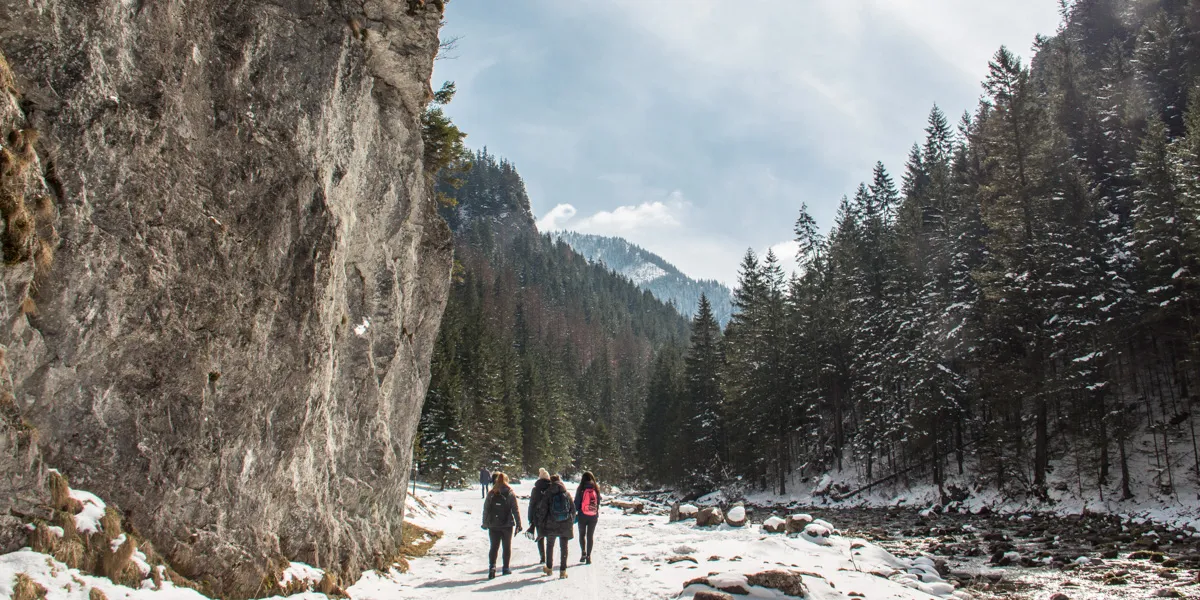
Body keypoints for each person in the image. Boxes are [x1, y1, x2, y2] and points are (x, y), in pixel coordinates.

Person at [481, 471, 522, 579]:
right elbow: (515, 509)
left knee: (494, 546)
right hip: (507, 524)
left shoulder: (491, 493)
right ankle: (505, 568)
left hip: (493, 524)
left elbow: (486, 509)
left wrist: (485, 523)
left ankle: (492, 567)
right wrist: (518, 523)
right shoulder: (510, 493)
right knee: (506, 546)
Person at [534, 474, 575, 579]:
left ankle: (549, 568)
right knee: (564, 547)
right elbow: (573, 509)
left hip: (551, 524)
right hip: (565, 524)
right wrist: (570, 522)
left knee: (550, 545)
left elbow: (543, 509)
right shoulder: (566, 493)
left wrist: (541, 522)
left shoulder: (548, 493)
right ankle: (562, 571)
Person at [574, 471, 601, 564]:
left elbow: (576, 503)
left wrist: (576, 511)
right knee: (590, 536)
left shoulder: (581, 488)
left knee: (582, 535)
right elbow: (598, 502)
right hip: (593, 516)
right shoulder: (596, 488)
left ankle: (583, 553)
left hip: (582, 515)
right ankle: (589, 556)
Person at [527, 468, 551, 563]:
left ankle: (542, 556)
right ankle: (549, 556)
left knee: (540, 535)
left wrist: (530, 518)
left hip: (538, 516)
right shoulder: (552, 488)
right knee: (549, 537)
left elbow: (532, 504)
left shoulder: (535, 489)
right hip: (549, 516)